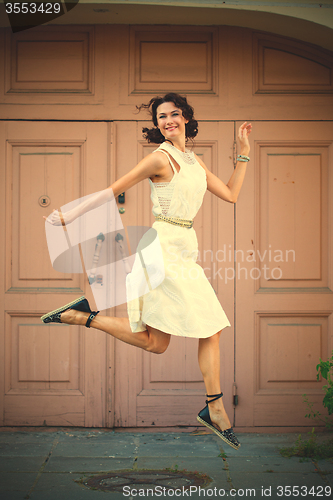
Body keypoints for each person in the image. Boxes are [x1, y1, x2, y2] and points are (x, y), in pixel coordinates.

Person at [42, 93, 252, 450]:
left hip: (184, 248)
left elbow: (231, 195)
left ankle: (80, 316)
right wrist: (71, 213)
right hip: (162, 250)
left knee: (157, 343)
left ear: (186, 117)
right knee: (210, 327)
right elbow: (113, 190)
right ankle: (215, 407)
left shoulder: (193, 160)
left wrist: (243, 151)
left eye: (173, 114)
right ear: (157, 125)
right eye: (161, 117)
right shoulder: (159, 158)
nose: (168, 120)